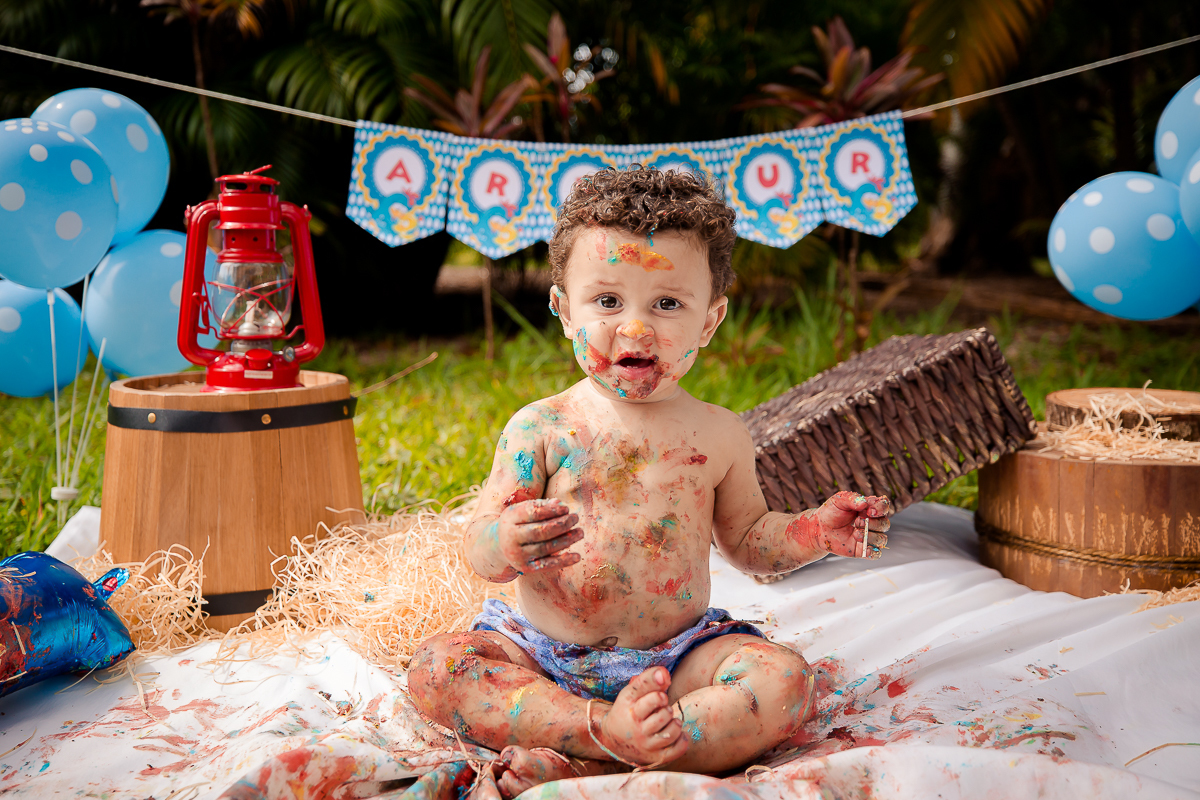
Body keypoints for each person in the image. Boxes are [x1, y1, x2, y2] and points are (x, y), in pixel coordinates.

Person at [408, 167, 893, 796]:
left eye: (667, 304)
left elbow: (749, 541)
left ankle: (592, 760)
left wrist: (814, 531)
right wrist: (501, 541)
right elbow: (478, 549)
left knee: (783, 684)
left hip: (678, 662)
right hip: (544, 656)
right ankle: (602, 732)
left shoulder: (719, 434)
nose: (635, 328)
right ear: (563, 310)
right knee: (437, 669)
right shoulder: (543, 428)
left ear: (710, 321)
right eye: (607, 302)